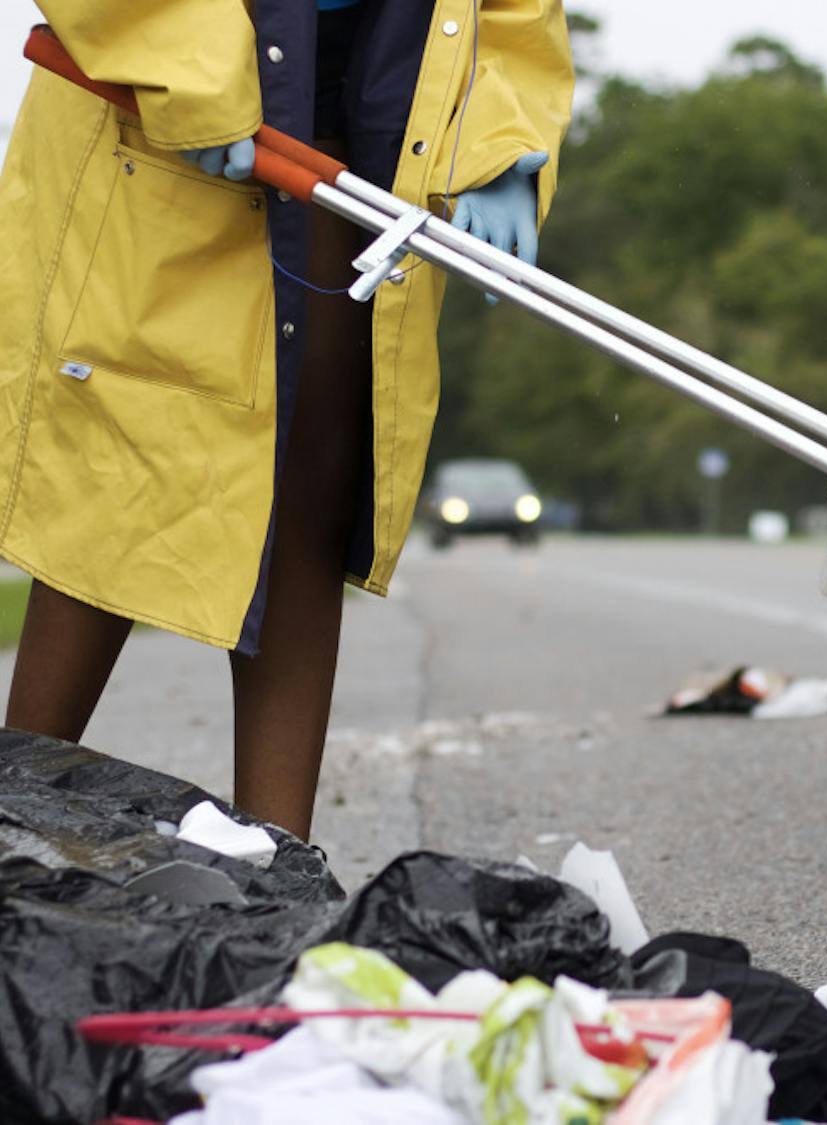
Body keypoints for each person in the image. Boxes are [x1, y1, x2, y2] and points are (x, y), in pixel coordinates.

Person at [0, 0, 574, 839]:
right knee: (117, 485)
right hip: (163, 138)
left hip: (355, 161)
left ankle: (282, 867)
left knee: (311, 493)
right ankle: (14, 827)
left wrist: (499, 145)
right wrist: (188, 70)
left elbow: (514, 16)